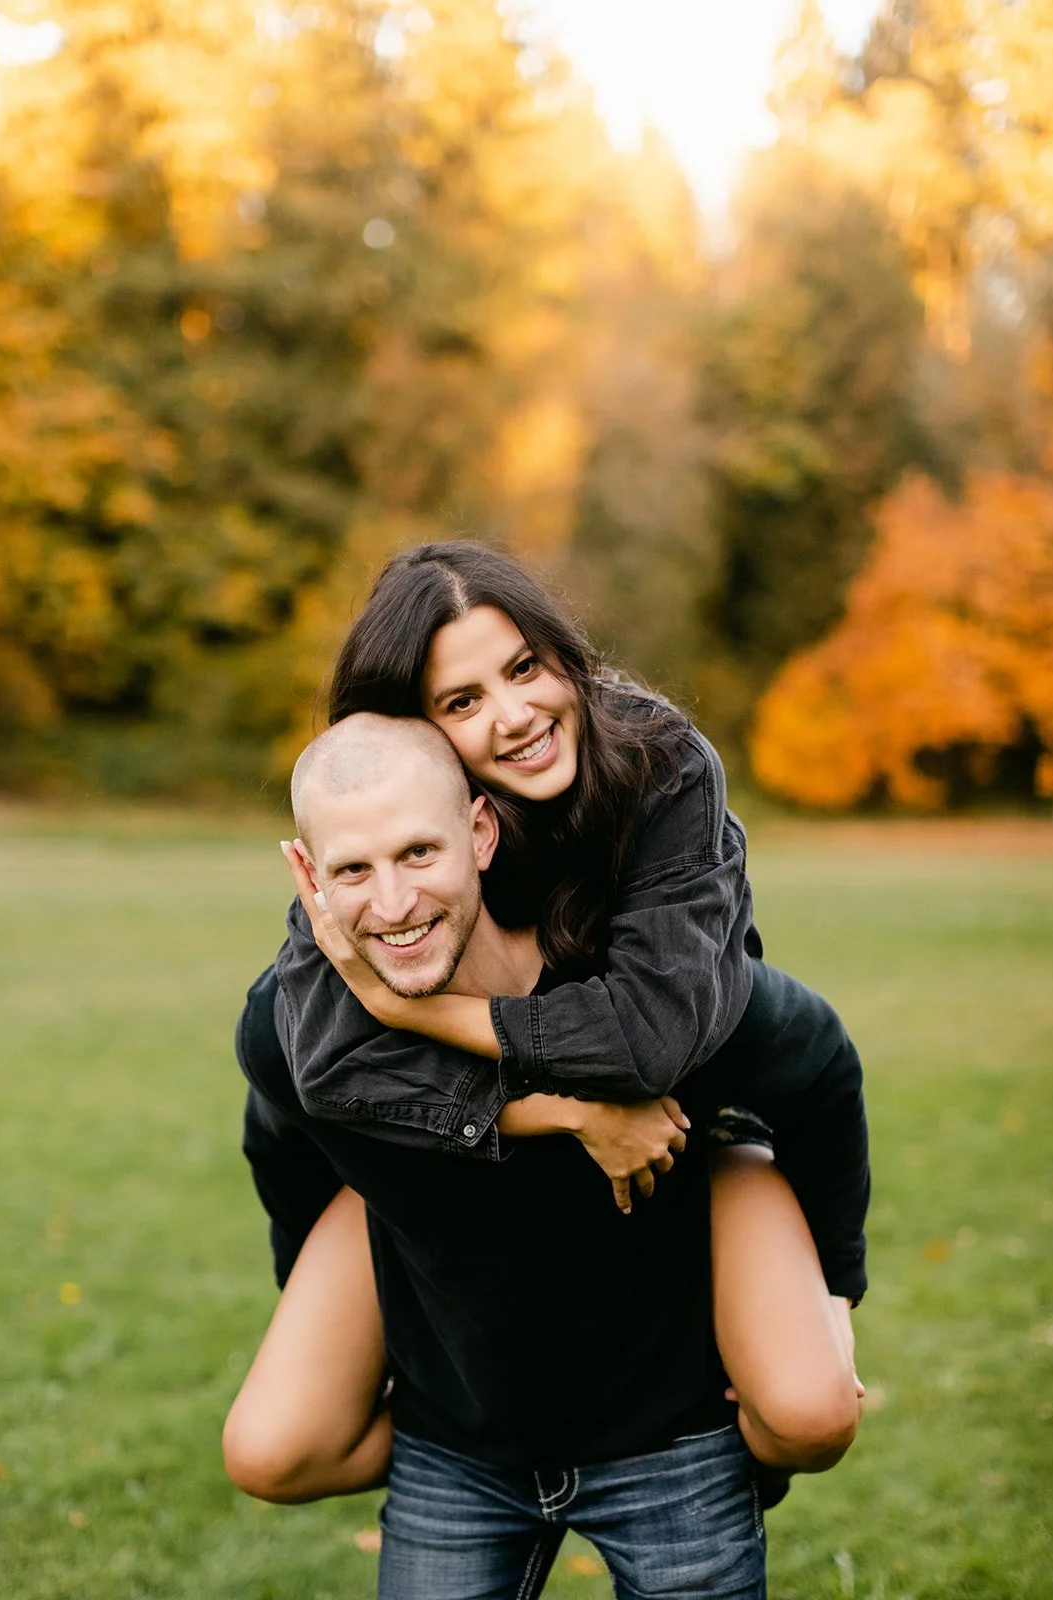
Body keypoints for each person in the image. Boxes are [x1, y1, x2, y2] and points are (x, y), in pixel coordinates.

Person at [225, 540, 868, 1506]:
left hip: (703, 1088)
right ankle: (466, 1445)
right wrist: (561, 1113)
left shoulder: (657, 768)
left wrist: (418, 1006)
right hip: (434, 1180)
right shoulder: (389, 868)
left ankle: (690, 1448)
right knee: (275, 1451)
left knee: (811, 1415)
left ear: (564, 655)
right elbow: (309, 1079)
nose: (515, 714)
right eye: (461, 701)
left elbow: (652, 1044)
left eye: (523, 668)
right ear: (418, 742)